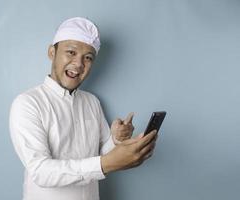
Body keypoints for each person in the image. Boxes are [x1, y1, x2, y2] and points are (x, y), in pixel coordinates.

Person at [9, 17, 157, 200]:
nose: (79, 64)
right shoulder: (28, 103)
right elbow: (41, 171)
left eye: (88, 58)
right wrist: (106, 164)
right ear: (51, 52)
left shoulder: (92, 102)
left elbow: (102, 153)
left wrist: (117, 139)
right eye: (71, 52)